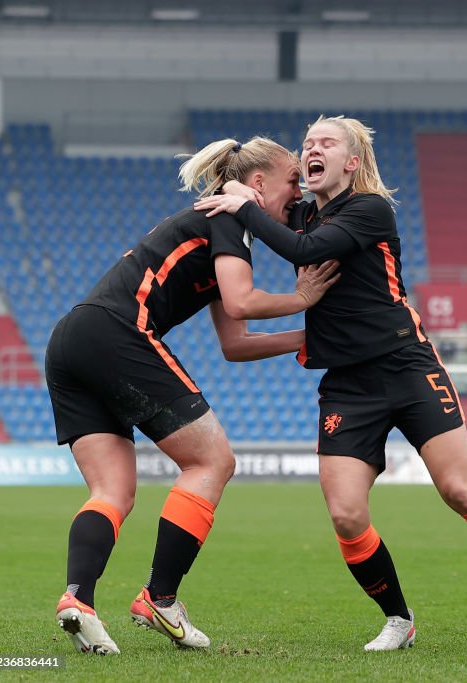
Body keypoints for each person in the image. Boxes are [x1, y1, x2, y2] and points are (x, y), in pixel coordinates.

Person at [194, 115, 467, 652]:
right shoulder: (304, 211)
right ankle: (398, 619)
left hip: (407, 366)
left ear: (352, 162)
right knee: (346, 513)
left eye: (326, 143)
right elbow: (265, 203)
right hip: (347, 384)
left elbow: (303, 252)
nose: (312, 149)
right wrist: (238, 187)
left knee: (461, 490)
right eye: (307, 143)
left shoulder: (369, 209)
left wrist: (242, 205)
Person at [47, 136, 339, 655]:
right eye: (292, 181)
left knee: (112, 491)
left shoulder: (218, 226)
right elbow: (242, 300)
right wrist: (304, 298)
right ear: (257, 184)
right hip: (118, 332)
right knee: (213, 461)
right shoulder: (230, 219)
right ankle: (160, 597)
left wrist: (308, 337)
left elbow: (234, 344)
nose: (298, 194)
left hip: (72, 340)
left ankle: (78, 600)